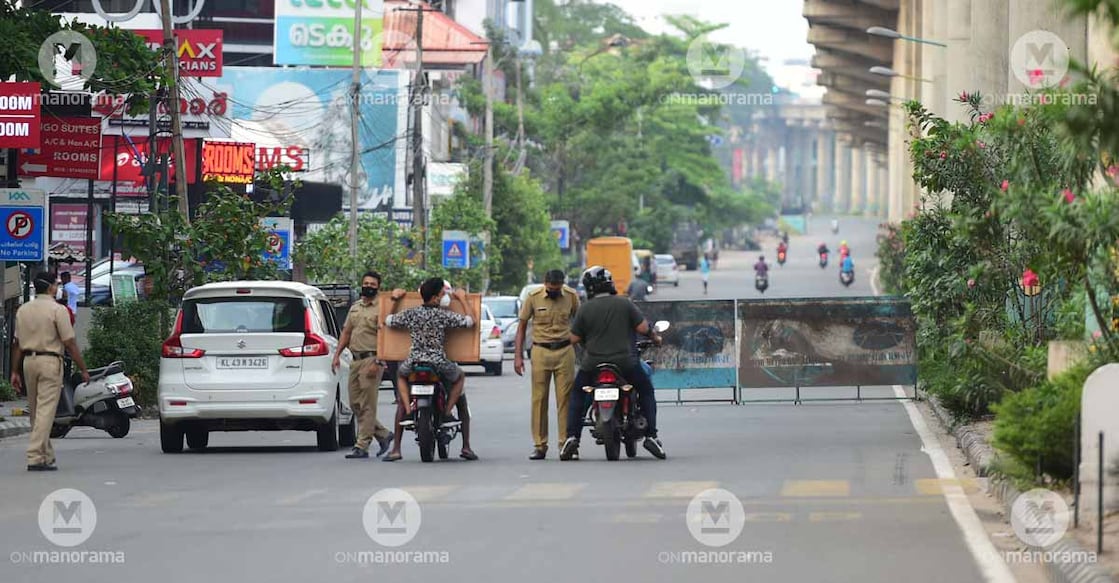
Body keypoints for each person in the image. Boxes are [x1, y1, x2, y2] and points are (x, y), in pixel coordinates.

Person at [559, 266, 665, 461]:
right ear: (610, 284)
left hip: (593, 365)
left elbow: (573, 338)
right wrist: (656, 338)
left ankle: (572, 437)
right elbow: (643, 328)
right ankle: (651, 436)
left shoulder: (585, 309)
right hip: (625, 363)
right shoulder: (624, 304)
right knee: (646, 390)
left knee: (577, 395)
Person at [382, 278, 478, 461]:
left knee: (401, 376)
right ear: (435, 298)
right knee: (459, 377)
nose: (444, 297)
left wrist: (394, 301)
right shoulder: (443, 315)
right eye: (442, 294)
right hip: (438, 363)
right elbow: (470, 322)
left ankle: (398, 443)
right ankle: (450, 418)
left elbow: (388, 321)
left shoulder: (412, 313)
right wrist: (462, 299)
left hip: (414, 362)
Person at [10, 272, 90, 471]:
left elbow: (17, 344)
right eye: (56, 284)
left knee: (36, 411)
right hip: (50, 361)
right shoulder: (58, 310)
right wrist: (83, 368)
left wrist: (14, 371)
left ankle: (46, 454)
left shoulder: (24, 310)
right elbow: (69, 342)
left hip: (28, 361)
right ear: (51, 288)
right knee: (46, 411)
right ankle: (35, 456)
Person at [514, 269, 580, 460]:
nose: (554, 292)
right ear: (545, 283)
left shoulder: (571, 296)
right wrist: (518, 356)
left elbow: (581, 322)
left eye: (557, 288)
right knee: (539, 399)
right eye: (551, 288)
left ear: (562, 284)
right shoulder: (533, 297)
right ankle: (540, 445)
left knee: (565, 399)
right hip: (540, 351)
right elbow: (521, 327)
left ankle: (565, 444)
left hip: (565, 350)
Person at [332, 271, 394, 459]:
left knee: (367, 405)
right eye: (366, 283)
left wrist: (379, 361)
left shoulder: (382, 308)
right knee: (354, 404)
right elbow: (346, 332)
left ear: (378, 287)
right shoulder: (355, 307)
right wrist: (336, 355)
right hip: (355, 360)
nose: (368, 286)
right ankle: (383, 434)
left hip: (372, 359)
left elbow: (386, 337)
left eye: (372, 284)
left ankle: (362, 446)